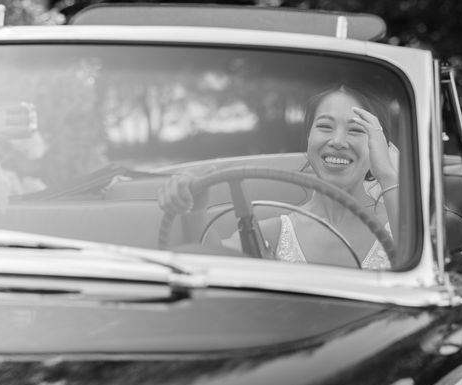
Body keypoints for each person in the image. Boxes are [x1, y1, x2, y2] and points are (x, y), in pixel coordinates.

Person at [158, 85, 401, 270]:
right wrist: (196, 209)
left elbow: (426, 262)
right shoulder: (273, 233)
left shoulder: (401, 222)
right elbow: (210, 265)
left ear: (378, 146)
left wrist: (388, 176)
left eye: (357, 130)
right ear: (308, 140)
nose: (337, 141)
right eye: (325, 127)